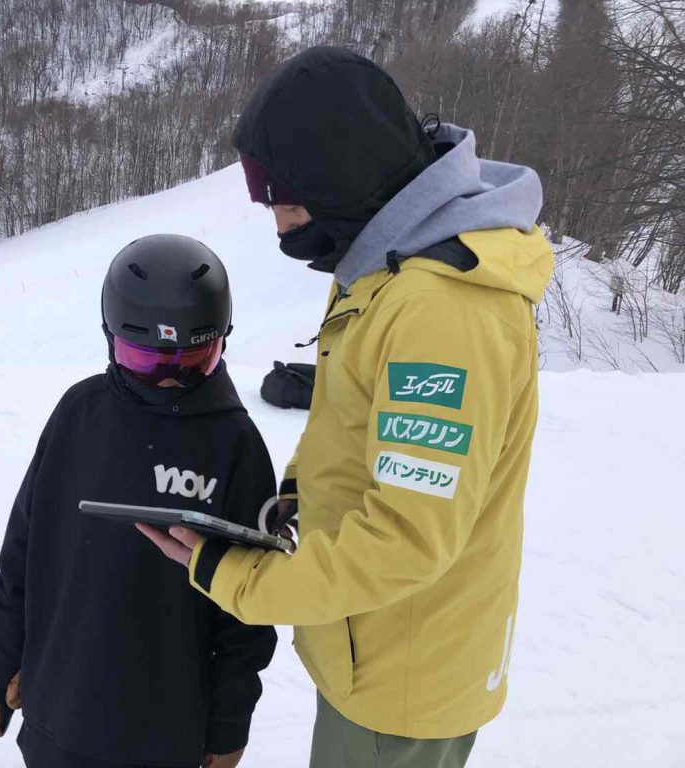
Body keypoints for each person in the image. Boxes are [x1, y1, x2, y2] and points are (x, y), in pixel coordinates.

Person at [140, 46, 556, 768]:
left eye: (290, 204)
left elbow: (405, 539)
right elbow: (351, 412)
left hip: (406, 674)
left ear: (342, 178)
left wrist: (234, 579)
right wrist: (303, 486)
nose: (281, 229)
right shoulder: (385, 257)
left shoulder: (441, 314)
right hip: (377, 641)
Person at [0, 234, 278, 768]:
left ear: (221, 341)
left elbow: (250, 613)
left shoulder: (234, 445)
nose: (167, 377)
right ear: (110, 339)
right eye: (144, 357)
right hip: (57, 716)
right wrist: (2, 656)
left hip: (164, 736)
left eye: (191, 358)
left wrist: (228, 727)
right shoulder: (80, 413)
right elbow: (23, 548)